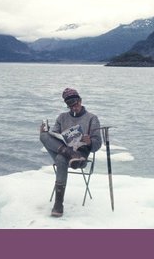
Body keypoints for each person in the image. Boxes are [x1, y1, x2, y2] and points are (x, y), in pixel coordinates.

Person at [39, 87, 102, 217]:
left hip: (80, 157)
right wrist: (49, 132)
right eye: (70, 106)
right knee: (43, 135)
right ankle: (69, 153)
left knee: (61, 160)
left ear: (80, 100)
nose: (74, 108)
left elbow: (97, 145)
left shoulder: (92, 118)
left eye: (76, 104)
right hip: (63, 149)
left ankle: (58, 204)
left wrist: (90, 141)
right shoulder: (62, 117)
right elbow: (54, 136)